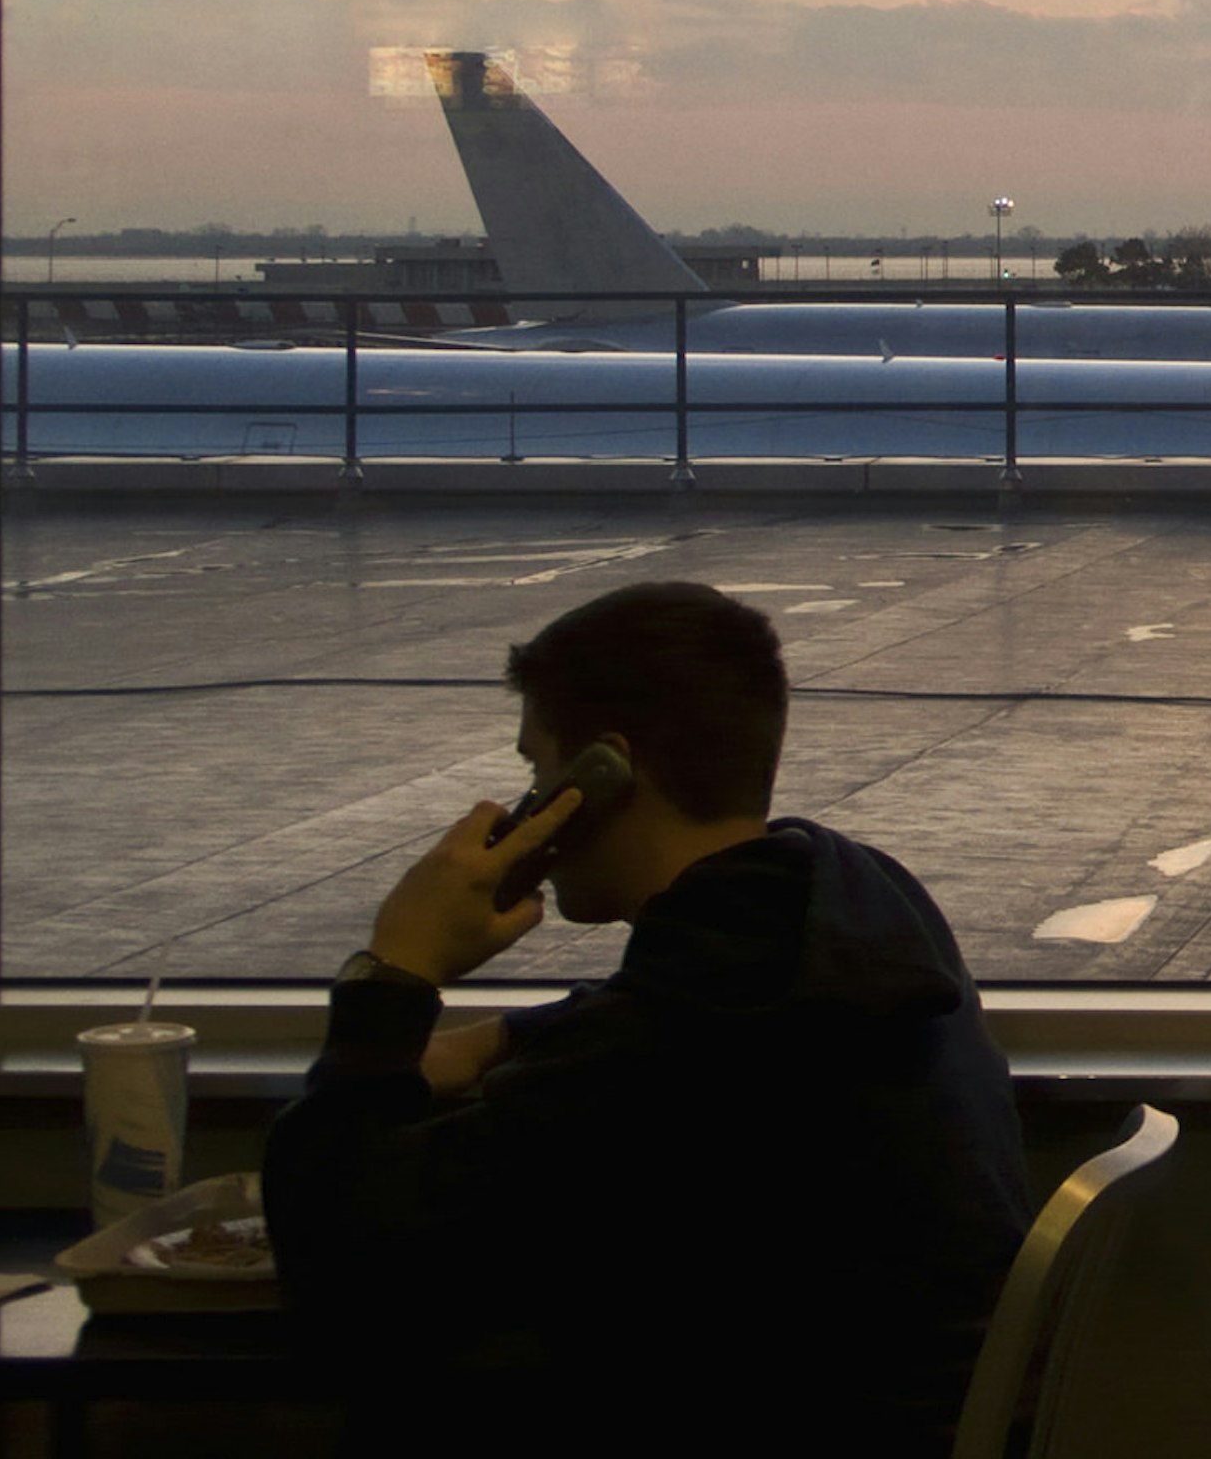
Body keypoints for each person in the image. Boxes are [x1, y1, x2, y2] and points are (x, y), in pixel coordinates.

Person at [267, 580, 1033, 1454]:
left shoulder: (695, 1033)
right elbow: (644, 1023)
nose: (525, 803)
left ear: (602, 777)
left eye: (535, 769)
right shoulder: (840, 901)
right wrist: (504, 1038)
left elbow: (339, 1271)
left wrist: (397, 971)